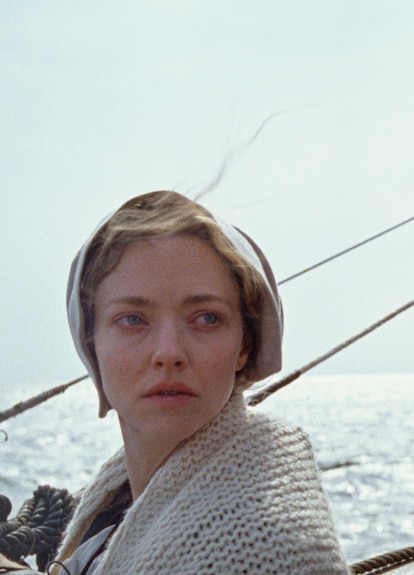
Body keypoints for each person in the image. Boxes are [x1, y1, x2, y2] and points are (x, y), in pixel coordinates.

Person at [47, 191, 349, 574]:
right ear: (92, 345)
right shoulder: (117, 501)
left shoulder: (265, 547)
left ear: (245, 345)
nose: (168, 353)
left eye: (206, 318)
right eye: (132, 320)